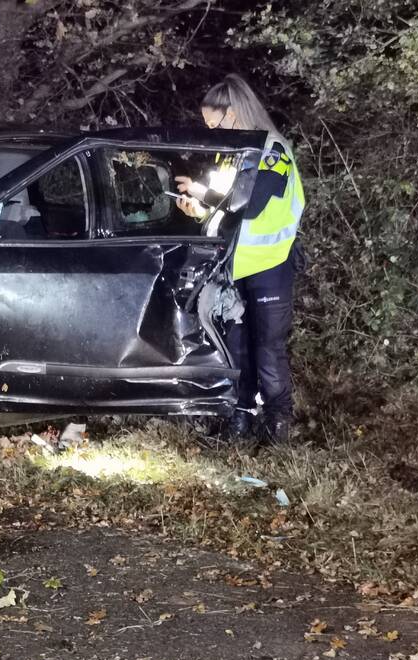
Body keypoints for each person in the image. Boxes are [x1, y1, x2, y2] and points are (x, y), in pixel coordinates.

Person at [174, 74, 305, 445]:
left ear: (234, 113)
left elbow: (253, 202)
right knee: (237, 344)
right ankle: (240, 416)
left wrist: (202, 192)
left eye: (215, 124)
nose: (212, 132)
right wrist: (197, 209)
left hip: (271, 264)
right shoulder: (230, 153)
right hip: (234, 267)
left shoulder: (273, 149)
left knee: (268, 345)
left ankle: (279, 424)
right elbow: (225, 211)